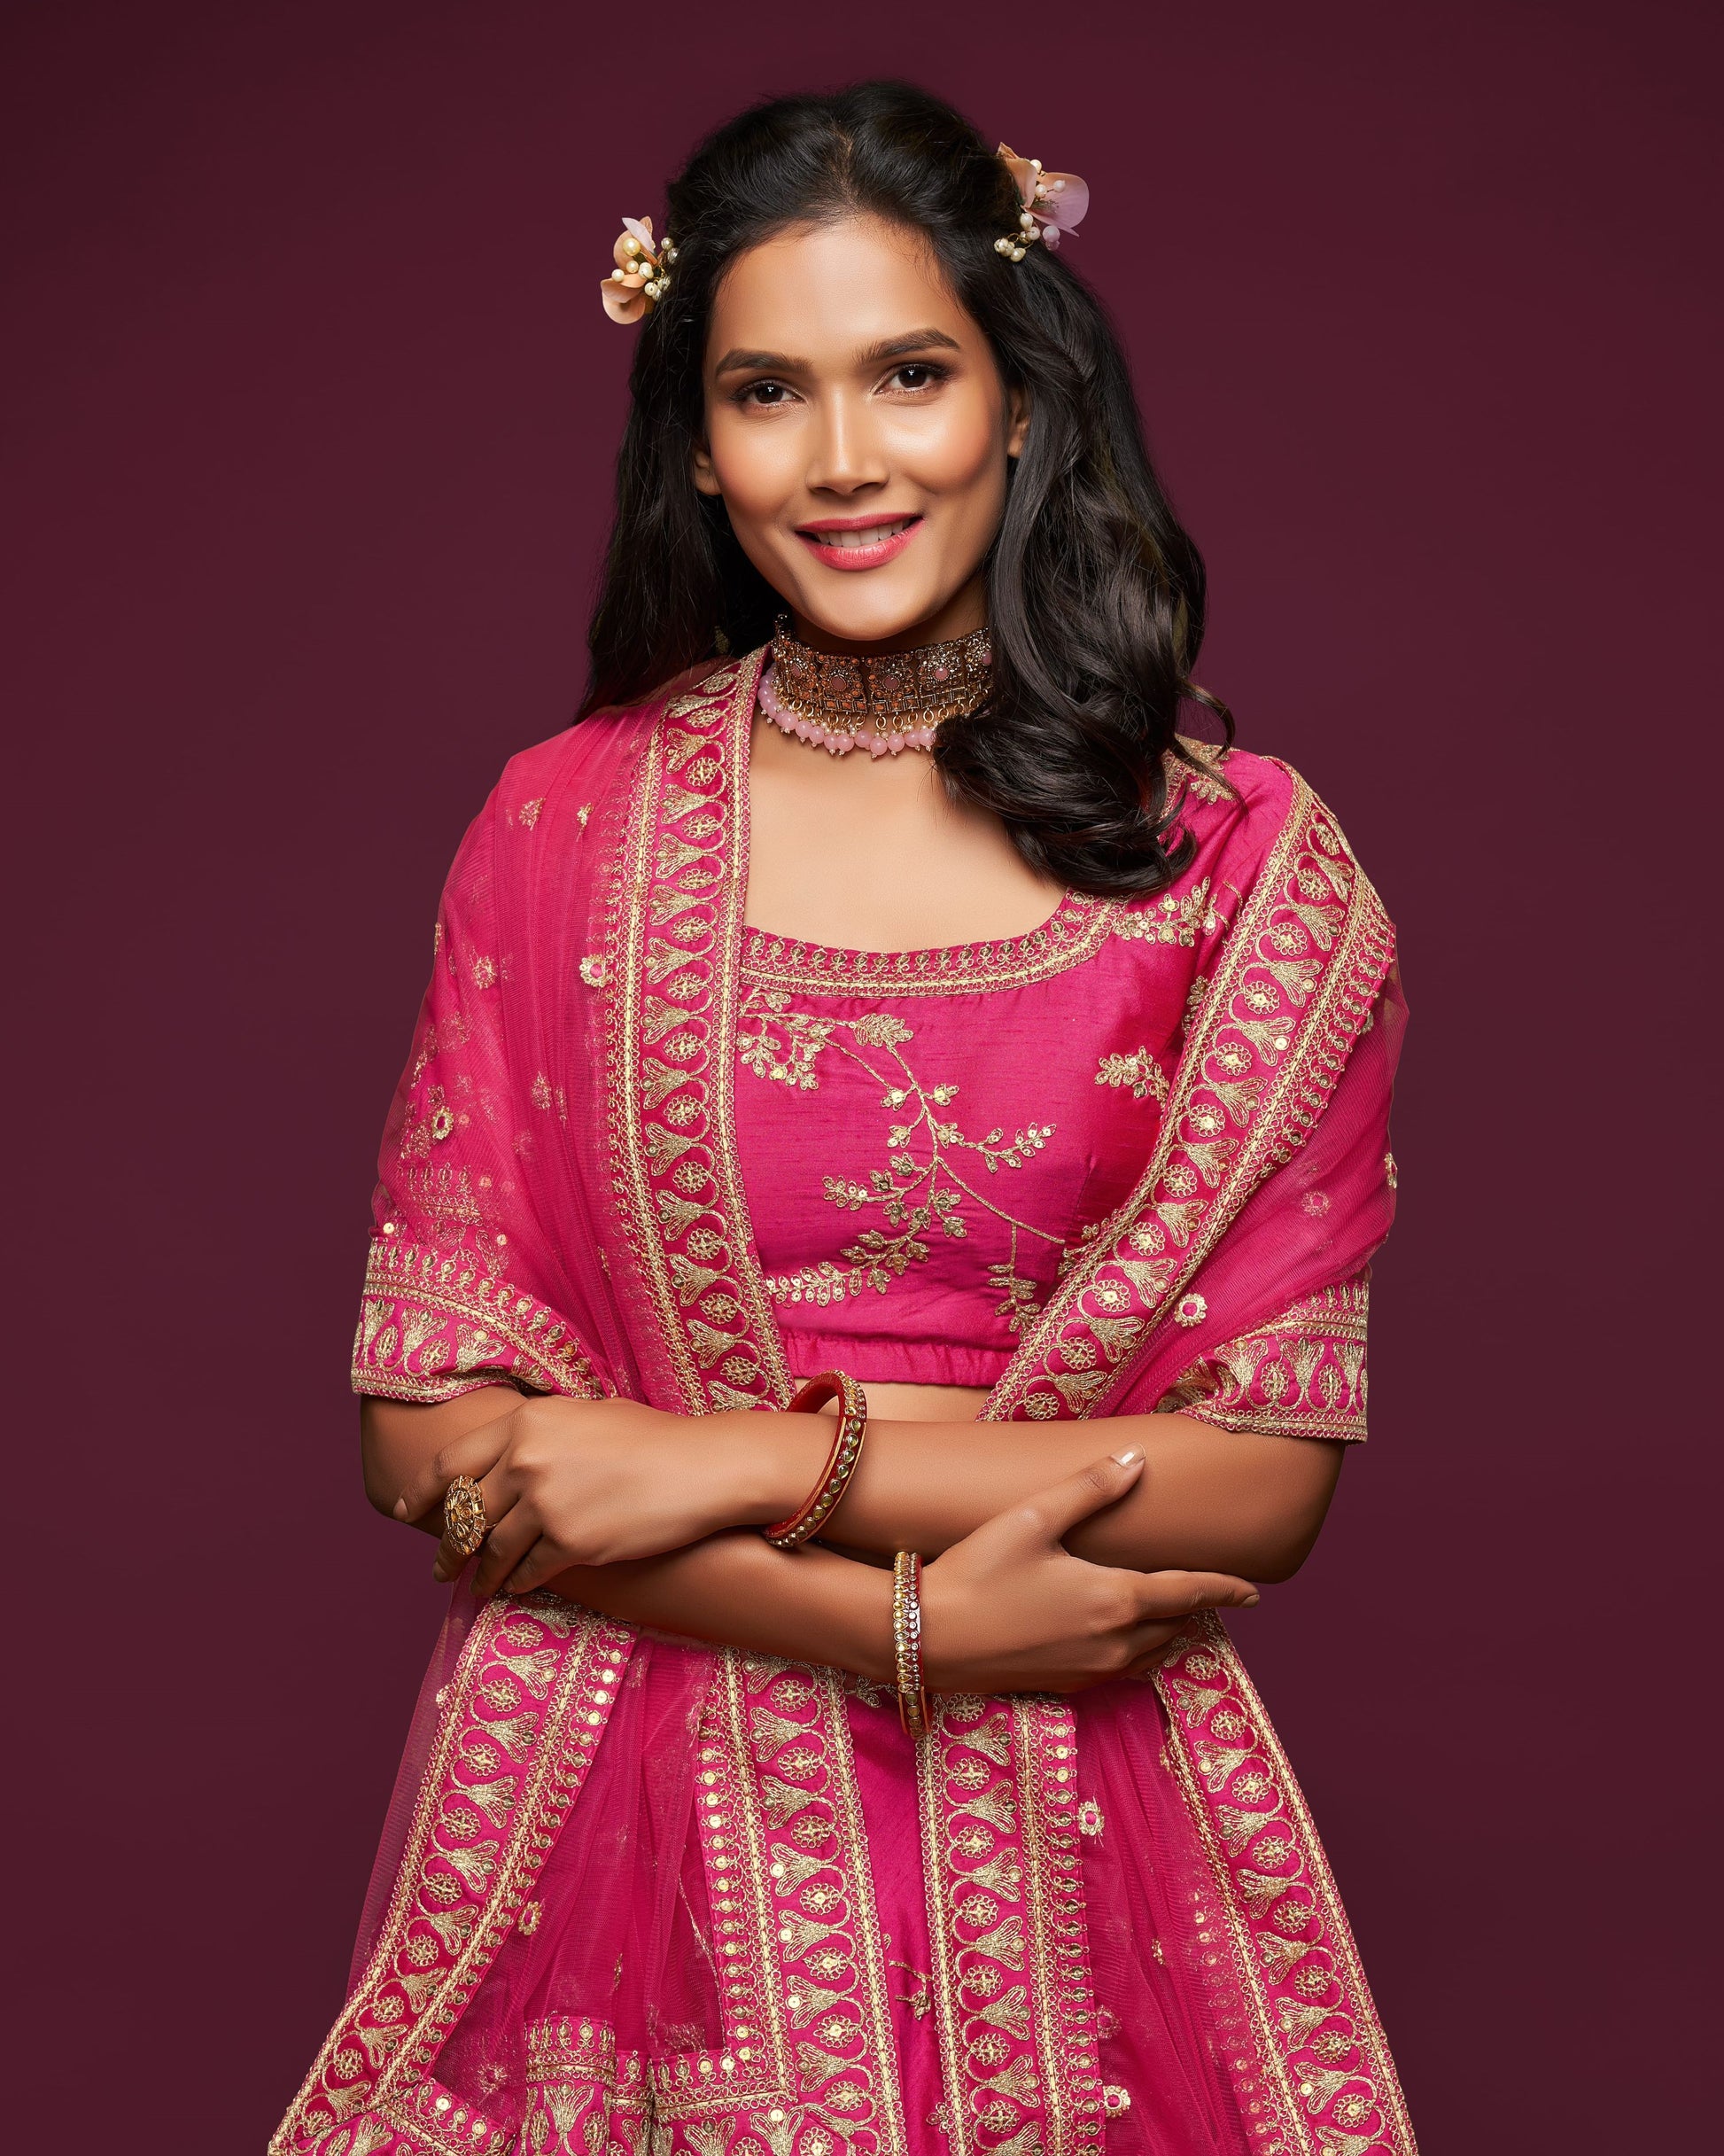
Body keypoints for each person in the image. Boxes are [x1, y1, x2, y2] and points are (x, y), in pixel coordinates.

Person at [273, 82, 1411, 2156]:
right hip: (620, 1831)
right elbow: (430, 1434)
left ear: (1019, 397)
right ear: (697, 451)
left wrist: (704, 1460)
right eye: (768, 393)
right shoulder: (565, 826)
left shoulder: (1243, 867)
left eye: (908, 373)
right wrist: (897, 1621)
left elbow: (1253, 1485)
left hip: (1087, 1839)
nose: (847, 459)